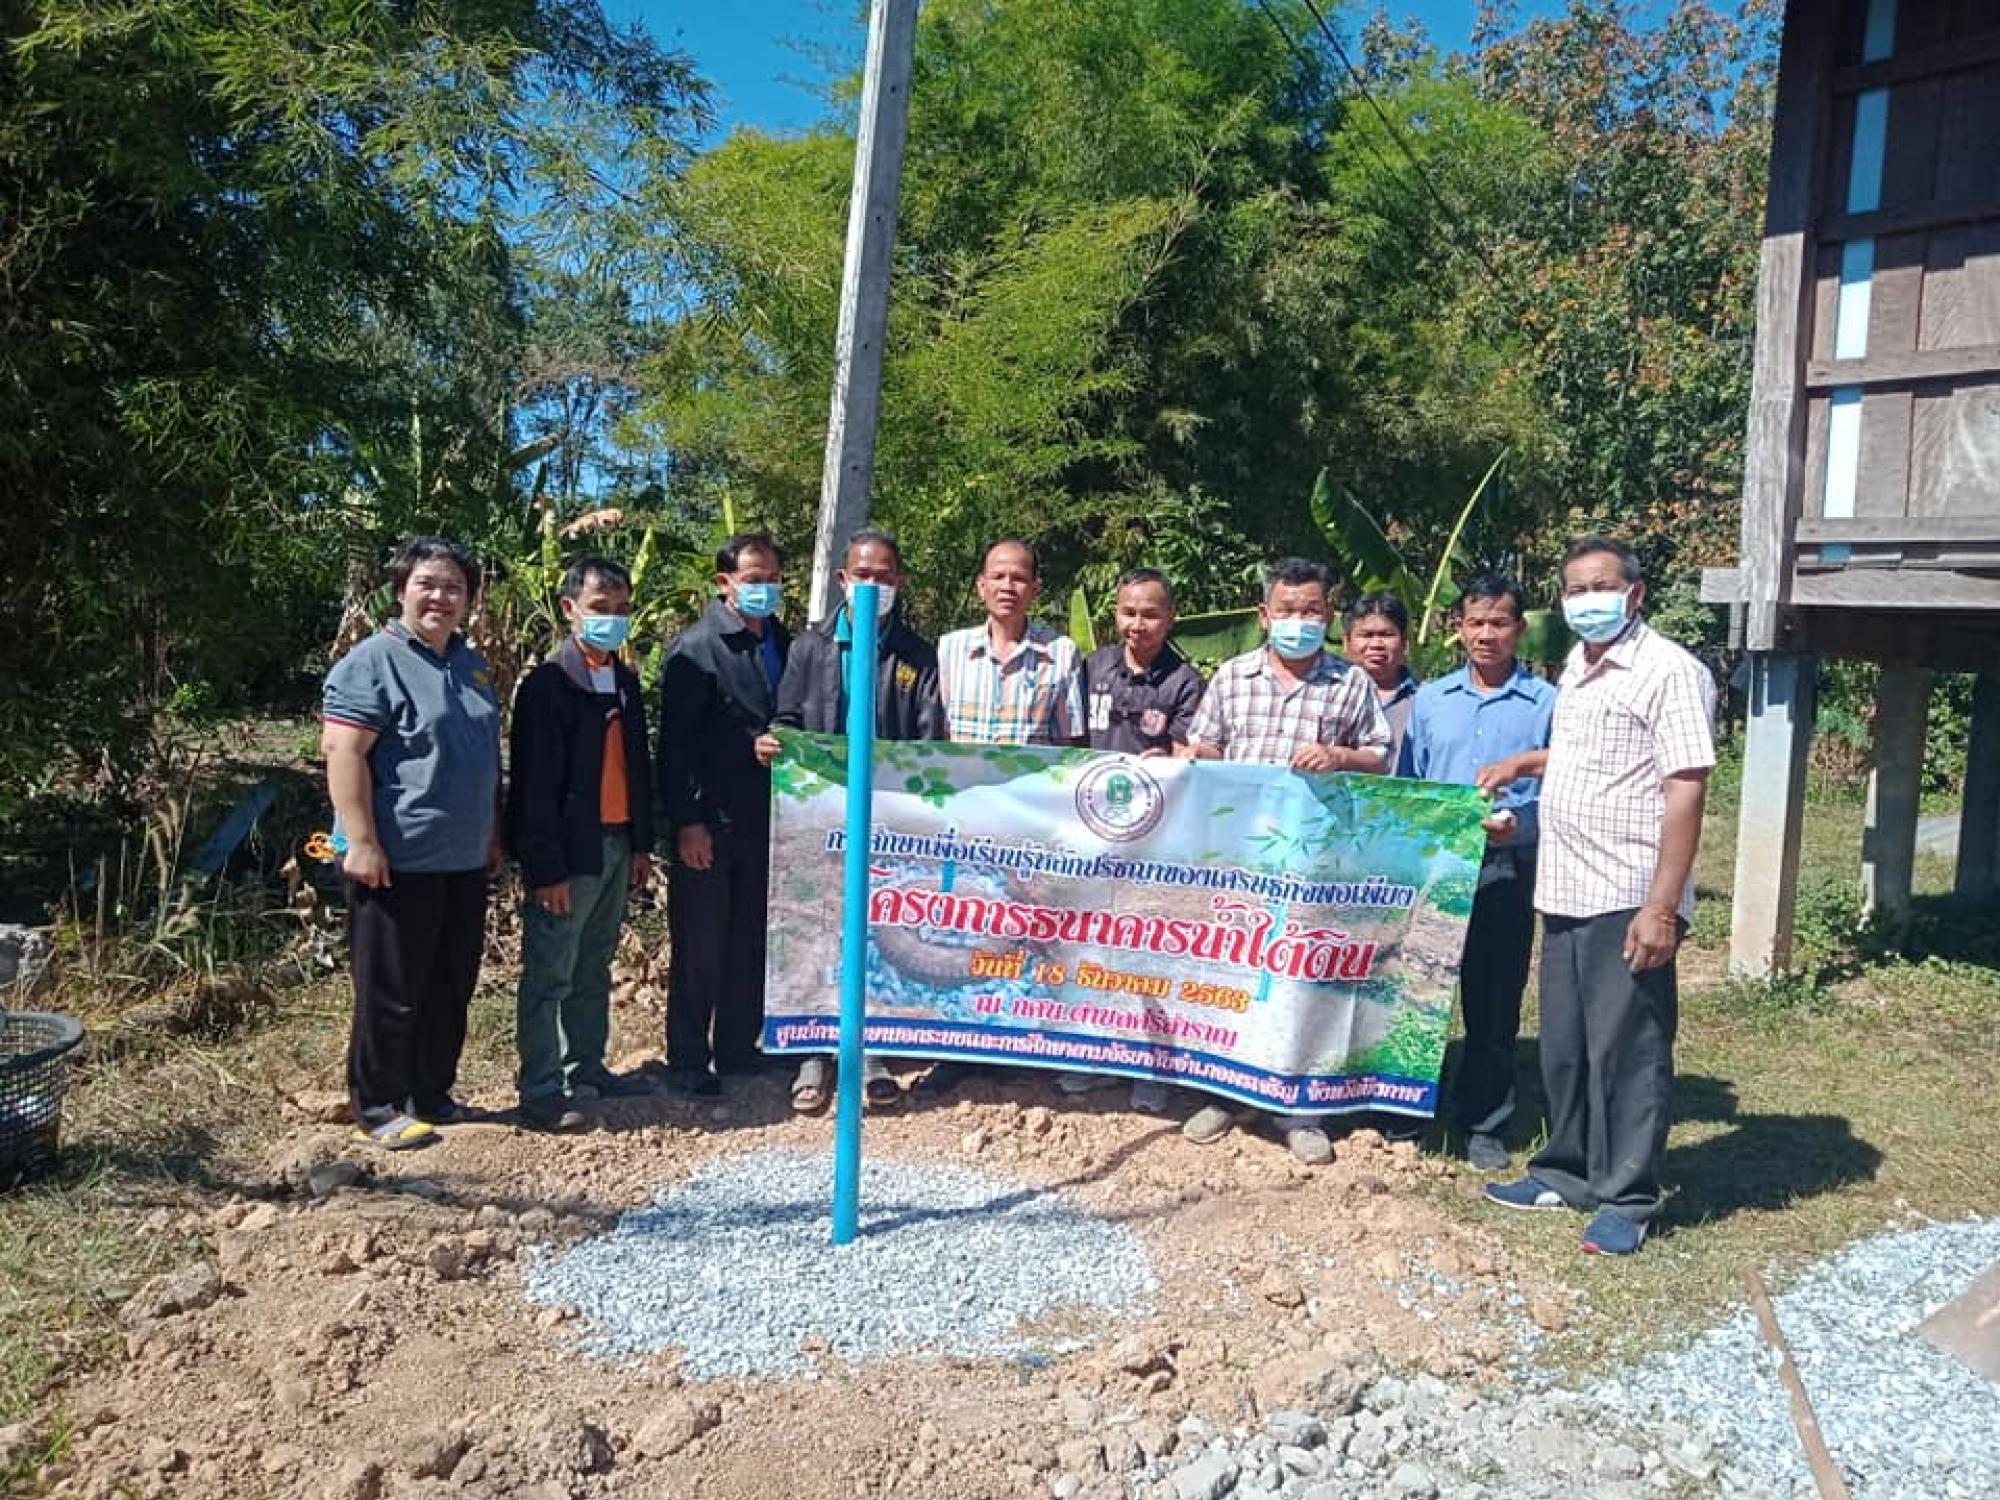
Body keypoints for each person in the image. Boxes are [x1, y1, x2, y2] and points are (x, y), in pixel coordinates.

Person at [1476, 537, 1715, 1256]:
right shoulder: (1578, 666)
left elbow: (1686, 785)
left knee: (1628, 1049)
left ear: (1634, 593)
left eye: (1600, 586)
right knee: (1567, 1046)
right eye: (1574, 590)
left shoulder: (1669, 671)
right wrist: (1527, 761)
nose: (1587, 601)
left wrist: (1661, 907)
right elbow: (1590, 755)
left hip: (1626, 890)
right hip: (1566, 886)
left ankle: (1628, 1196)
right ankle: (1567, 1171)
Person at [1181, 557, 1391, 1163]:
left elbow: (1379, 755)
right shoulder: (1232, 677)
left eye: (1310, 610)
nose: (1298, 620)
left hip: (1315, 860)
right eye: (1287, 609)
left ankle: (1301, 1111)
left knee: (1304, 978)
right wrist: (1198, 756)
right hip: (1242, 855)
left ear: (1328, 614)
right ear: (1264, 614)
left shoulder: (1350, 683)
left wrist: (1338, 756)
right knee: (1236, 973)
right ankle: (1225, 1093)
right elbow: (1207, 743)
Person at [755, 527, 948, 1113]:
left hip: (887, 818)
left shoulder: (916, 656)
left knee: (879, 931)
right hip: (819, 817)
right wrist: (775, 742)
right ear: (843, 579)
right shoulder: (809, 648)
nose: (872, 585)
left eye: (884, 577)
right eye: (862, 575)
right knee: (816, 929)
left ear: (900, 582)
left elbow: (928, 740)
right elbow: (787, 717)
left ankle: (871, 1053)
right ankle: (813, 1053)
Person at [322, 537, 503, 1150]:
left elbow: (482, 757)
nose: (440, 598)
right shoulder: (372, 662)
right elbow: (343, 752)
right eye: (427, 584)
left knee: (450, 985)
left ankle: (431, 1093)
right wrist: (361, 840)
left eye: (454, 588)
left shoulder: (470, 664)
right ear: (400, 591)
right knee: (393, 991)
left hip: (463, 859)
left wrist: (492, 834)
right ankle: (378, 1105)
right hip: (398, 858)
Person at [1399, 575, 1556, 1172]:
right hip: (1436, 868)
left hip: (1506, 863)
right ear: (1459, 629)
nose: (1486, 634)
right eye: (1475, 623)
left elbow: (1565, 784)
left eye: (1499, 623)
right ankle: (1406, 1108)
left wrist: (1522, 823)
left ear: (1519, 629)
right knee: (1418, 990)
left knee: (1493, 997)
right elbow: (1411, 783)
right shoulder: (1431, 700)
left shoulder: (1547, 703)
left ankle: (1484, 1121)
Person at [919, 538, 1087, 1095]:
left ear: (1035, 589)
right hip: (962, 820)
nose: (1008, 586)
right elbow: (933, 734)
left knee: (1020, 928)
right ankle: (956, 1047)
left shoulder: (1062, 653)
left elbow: (1071, 744)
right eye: (998, 576)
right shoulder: (949, 650)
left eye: (1019, 578)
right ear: (981, 586)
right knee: (960, 923)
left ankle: (1012, 1042)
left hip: (1028, 825)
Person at [506, 557, 657, 1132]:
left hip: (616, 844)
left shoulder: (624, 680)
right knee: (551, 971)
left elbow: (636, 767)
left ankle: (586, 1065)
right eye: (600, 608)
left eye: (621, 609)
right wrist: (545, 869)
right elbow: (534, 785)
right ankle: (541, 1087)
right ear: (570, 609)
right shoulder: (549, 685)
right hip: (569, 852)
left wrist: (641, 844)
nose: (612, 618)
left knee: (594, 964)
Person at [657, 532, 791, 1095]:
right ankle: (689, 1058)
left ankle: (738, 1048)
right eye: (753, 579)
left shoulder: (783, 641)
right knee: (701, 943)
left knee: (749, 939)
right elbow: (676, 746)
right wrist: (687, 822)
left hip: (768, 820)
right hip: (710, 820)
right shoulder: (696, 648)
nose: (765, 588)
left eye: (773, 579)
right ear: (725, 583)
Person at [1071, 567, 1207, 1109]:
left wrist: (1170, 759)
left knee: (1146, 949)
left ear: (1170, 617)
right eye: (1129, 612)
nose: (1138, 623)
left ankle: (1151, 1068)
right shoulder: (1091, 667)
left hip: (1154, 841)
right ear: (1115, 613)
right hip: (1089, 834)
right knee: (1089, 946)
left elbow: (1190, 754)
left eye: (1150, 613)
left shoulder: (1186, 682)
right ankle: (1089, 1055)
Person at [1344, 591, 1420, 771]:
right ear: (1346, 642)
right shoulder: (1328, 695)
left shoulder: (1427, 701)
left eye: (1386, 635)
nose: (1376, 644)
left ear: (1405, 643)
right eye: (1366, 635)